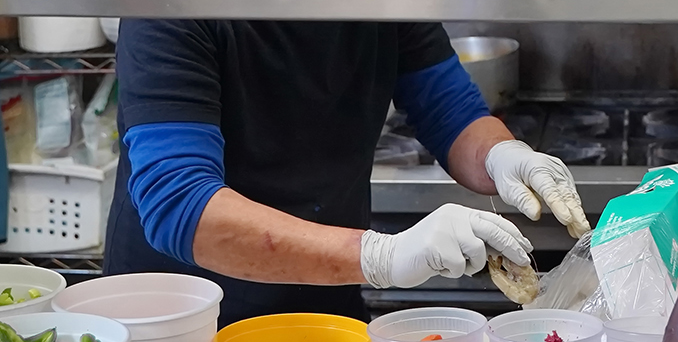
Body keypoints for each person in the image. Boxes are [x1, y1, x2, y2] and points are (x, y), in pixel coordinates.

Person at [104, 18, 586, 323]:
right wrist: (383, 256)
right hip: (182, 322)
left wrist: (503, 155)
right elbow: (180, 206)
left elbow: (451, 113)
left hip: (322, 304)